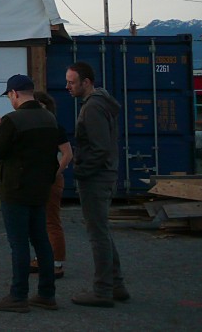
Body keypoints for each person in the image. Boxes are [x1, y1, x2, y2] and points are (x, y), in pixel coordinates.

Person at [0, 74, 61, 313]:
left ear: (14, 94)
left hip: (15, 189)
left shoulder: (13, 120)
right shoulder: (49, 118)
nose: (10, 100)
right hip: (40, 188)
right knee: (41, 240)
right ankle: (47, 294)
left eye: (9, 96)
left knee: (18, 244)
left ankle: (18, 296)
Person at [66, 61, 129, 307]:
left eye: (72, 82)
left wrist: (81, 170)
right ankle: (116, 285)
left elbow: (99, 148)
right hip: (105, 174)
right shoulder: (101, 103)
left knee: (98, 234)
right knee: (101, 230)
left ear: (87, 82)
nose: (67, 86)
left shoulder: (92, 108)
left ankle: (103, 291)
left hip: (96, 178)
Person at [30, 91, 73, 279]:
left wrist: (55, 173)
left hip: (50, 180)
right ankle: (43, 258)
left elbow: (67, 154)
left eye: (40, 105)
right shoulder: (35, 126)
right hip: (37, 179)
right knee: (39, 221)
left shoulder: (55, 126)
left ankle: (56, 262)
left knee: (51, 220)